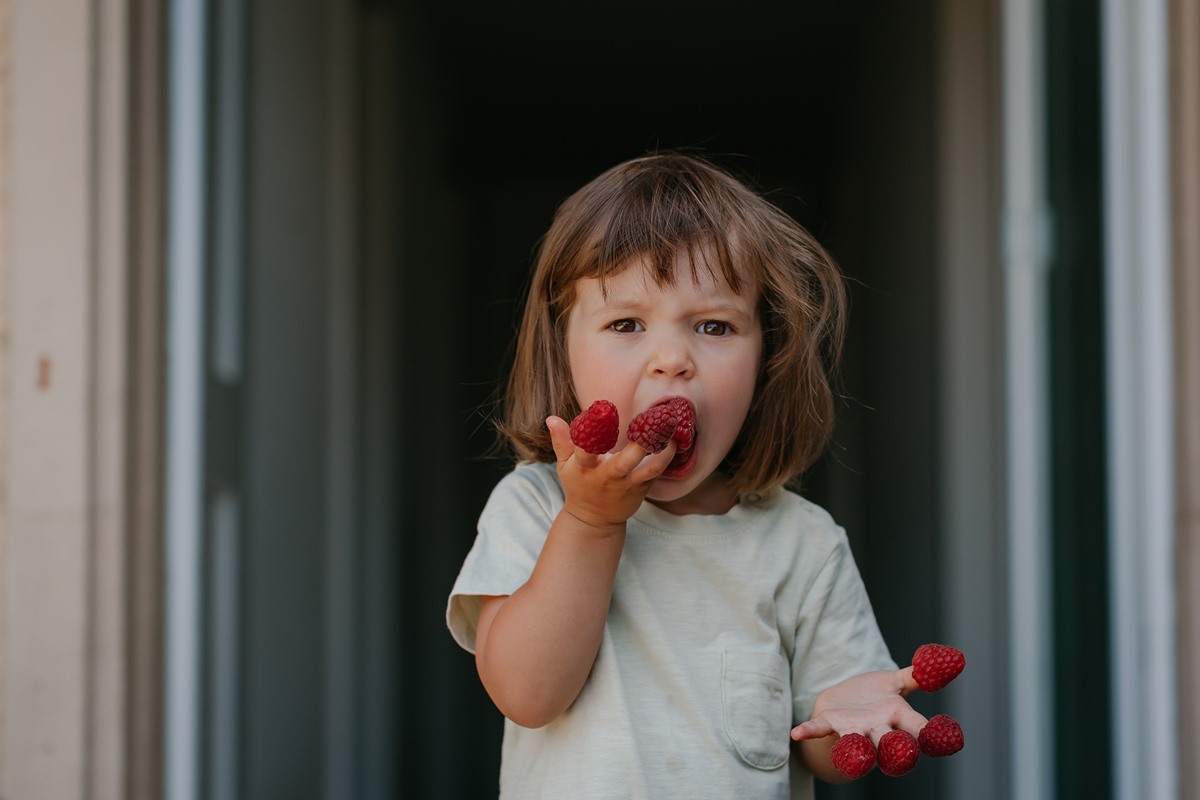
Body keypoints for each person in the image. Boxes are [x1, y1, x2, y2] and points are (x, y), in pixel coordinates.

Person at [446, 153, 931, 798]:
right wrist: (591, 520)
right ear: (562, 349)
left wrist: (851, 728)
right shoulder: (534, 506)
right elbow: (527, 693)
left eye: (714, 325)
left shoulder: (804, 545)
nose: (673, 359)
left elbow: (816, 750)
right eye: (626, 324)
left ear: (768, 355)